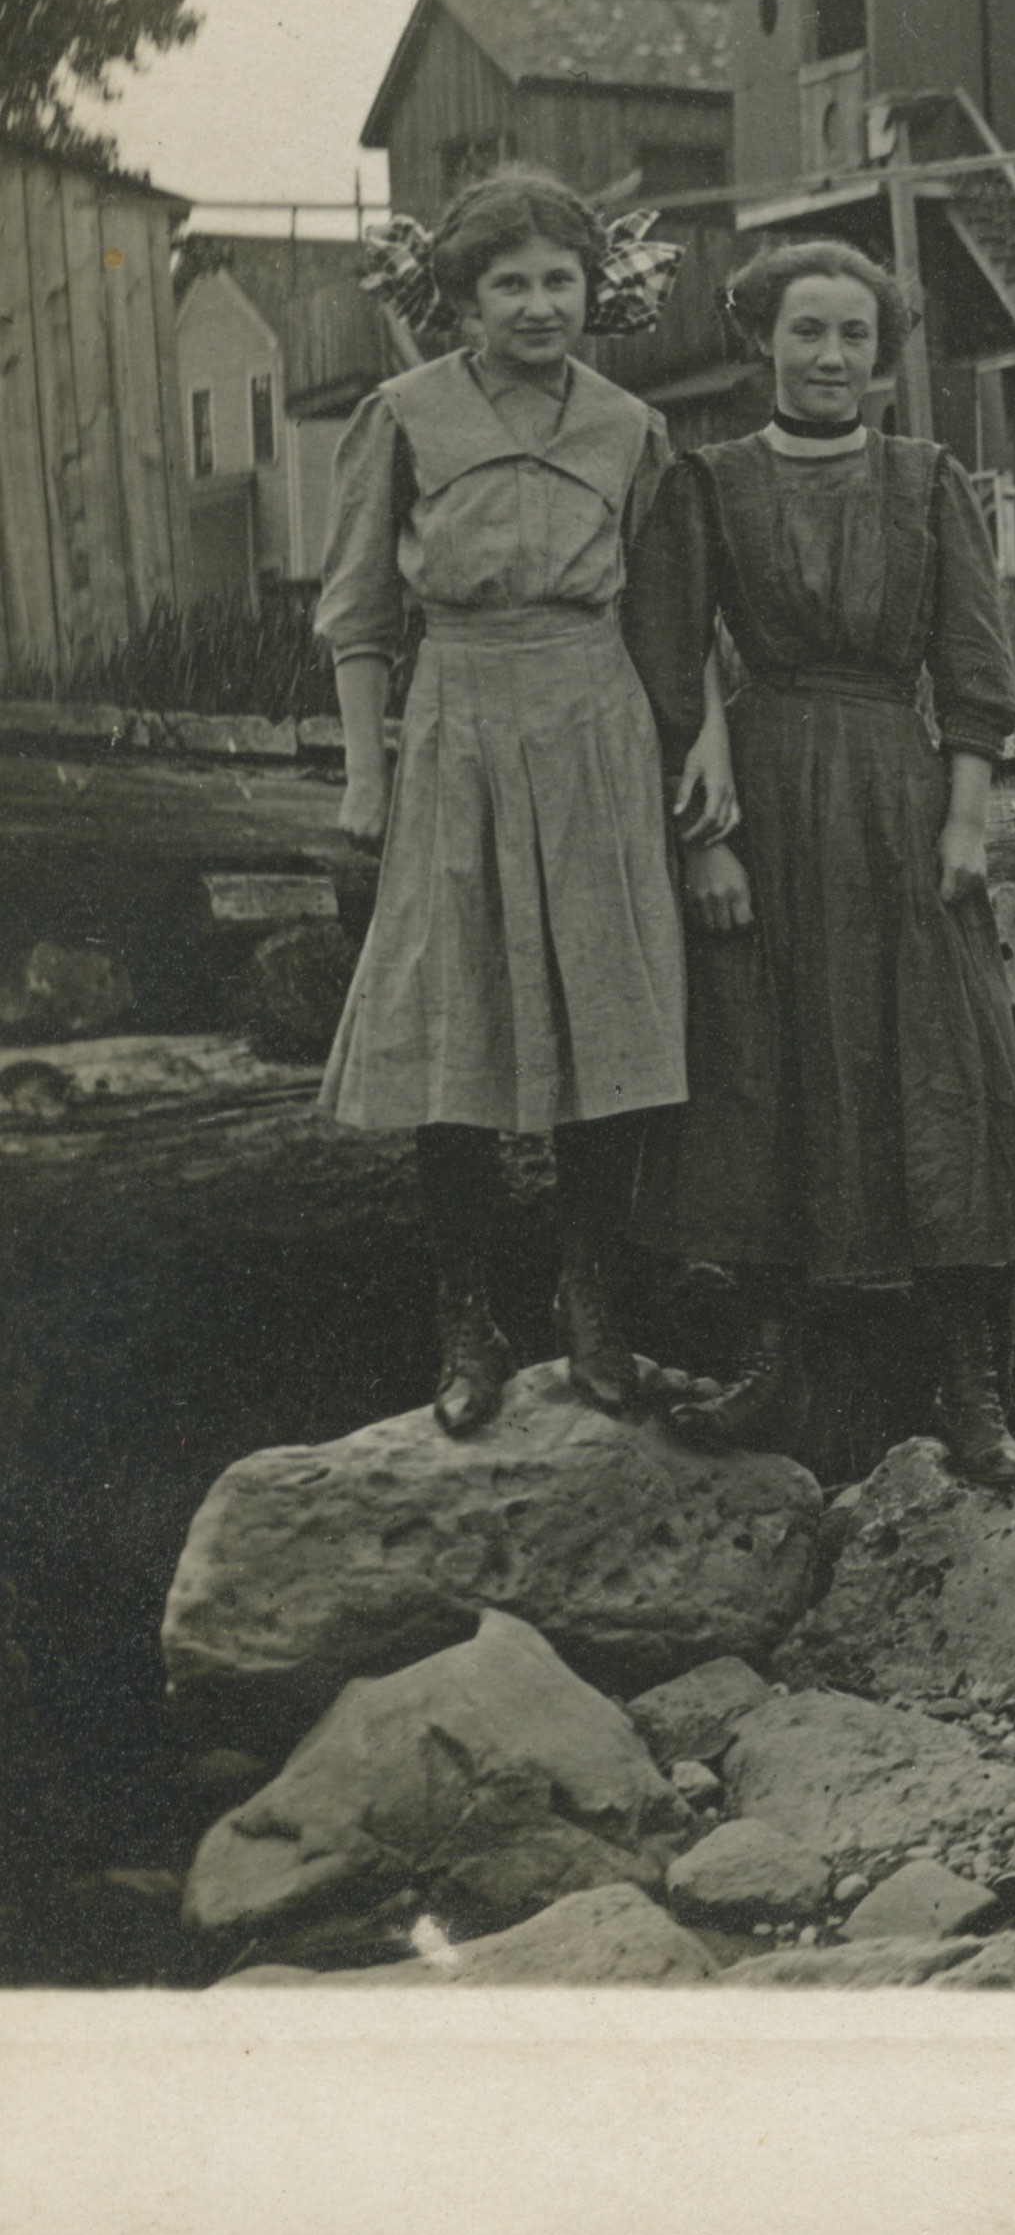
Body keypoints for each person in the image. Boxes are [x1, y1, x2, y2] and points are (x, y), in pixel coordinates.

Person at [629, 241, 1015, 1484]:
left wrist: (965, 820)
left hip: (895, 794)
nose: (830, 356)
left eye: (855, 335)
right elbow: (673, 658)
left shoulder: (926, 480)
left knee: (942, 1060)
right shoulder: (708, 481)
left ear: (883, 353)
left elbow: (972, 668)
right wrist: (709, 838)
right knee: (763, 1062)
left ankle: (970, 1379)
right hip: (762, 800)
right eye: (806, 331)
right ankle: (774, 1363)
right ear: (763, 341)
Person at [315, 164, 704, 1435]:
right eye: (509, 284)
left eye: (559, 281)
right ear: (464, 298)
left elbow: (670, 614)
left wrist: (699, 744)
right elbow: (360, 609)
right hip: (460, 725)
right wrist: (367, 770)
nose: (538, 306)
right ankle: (467, 1316)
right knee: (455, 1019)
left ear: (594, 290)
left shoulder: (630, 426)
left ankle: (590, 1301)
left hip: (597, 728)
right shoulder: (404, 414)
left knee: (607, 1009)